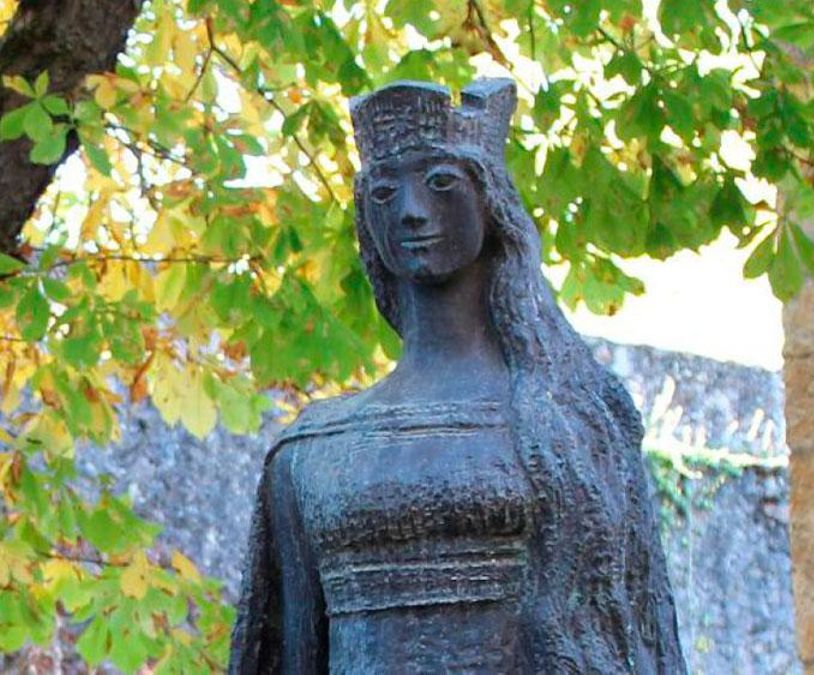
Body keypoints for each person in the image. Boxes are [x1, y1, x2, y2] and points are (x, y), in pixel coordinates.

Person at [229, 78, 685, 674]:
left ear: (490, 202)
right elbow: (292, 656)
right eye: (386, 193)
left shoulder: (575, 428)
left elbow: (635, 641)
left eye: (442, 183)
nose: (413, 211)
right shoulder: (309, 453)